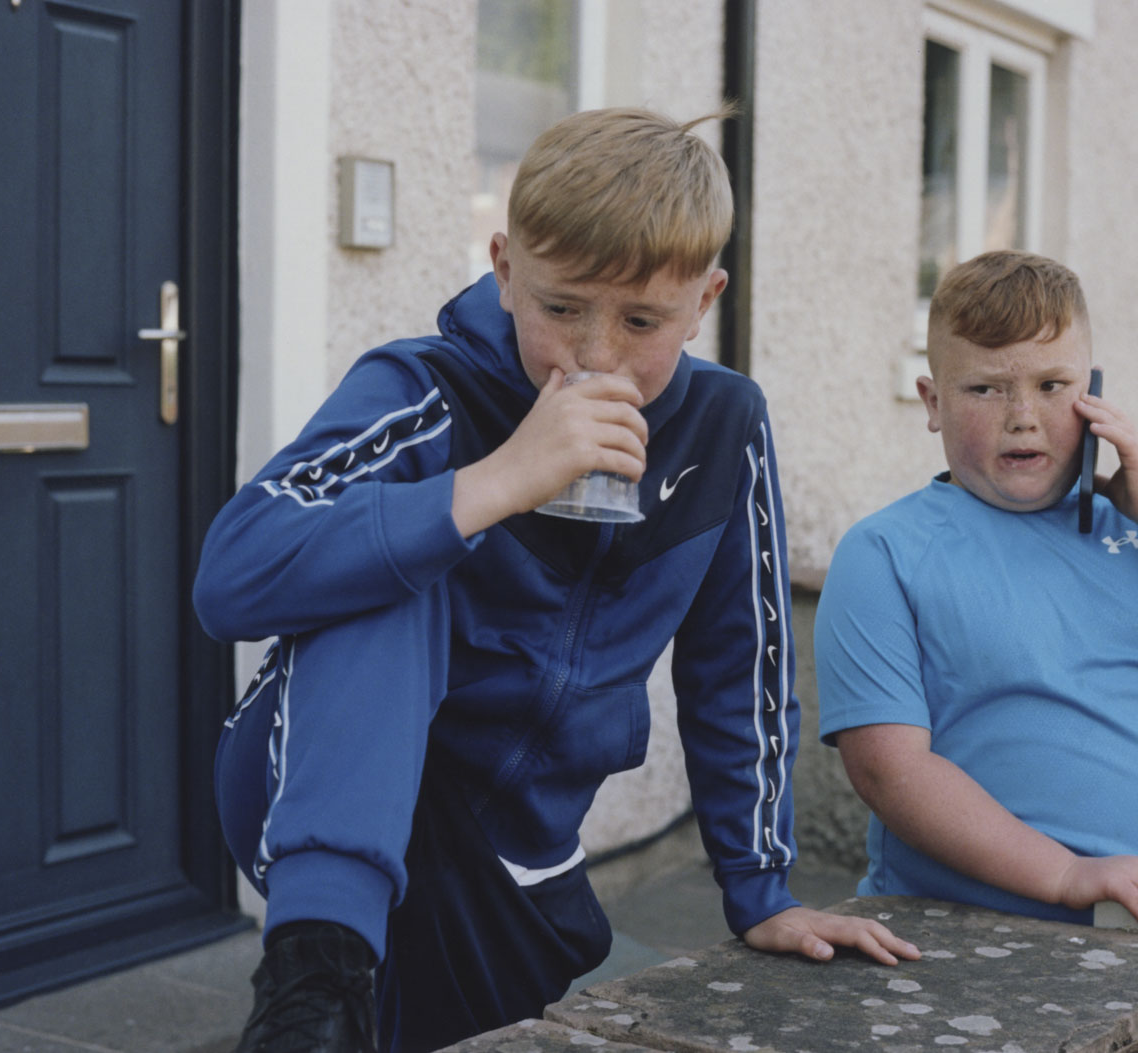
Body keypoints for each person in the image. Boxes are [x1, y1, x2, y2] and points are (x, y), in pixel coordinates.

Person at [197, 107, 917, 1053]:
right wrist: (494, 483)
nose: (595, 355)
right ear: (503, 267)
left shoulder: (724, 426)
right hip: (329, 789)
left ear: (705, 299)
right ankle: (312, 977)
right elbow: (232, 573)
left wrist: (760, 889)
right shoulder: (423, 389)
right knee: (392, 570)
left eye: (642, 320)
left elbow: (739, 666)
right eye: (561, 307)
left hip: (522, 863)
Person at [813, 250, 1138, 942]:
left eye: (1052, 384)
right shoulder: (885, 552)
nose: (1023, 416)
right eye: (985, 388)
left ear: (1092, 392)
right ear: (932, 401)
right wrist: (1067, 875)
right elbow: (891, 771)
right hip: (948, 939)